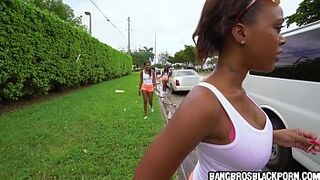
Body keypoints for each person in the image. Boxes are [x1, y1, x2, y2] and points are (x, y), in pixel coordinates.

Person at [134, 0, 320, 179]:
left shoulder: (238, 92)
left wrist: (276, 137)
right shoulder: (203, 103)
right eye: (277, 28)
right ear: (240, 33)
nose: (283, 40)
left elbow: (231, 146)